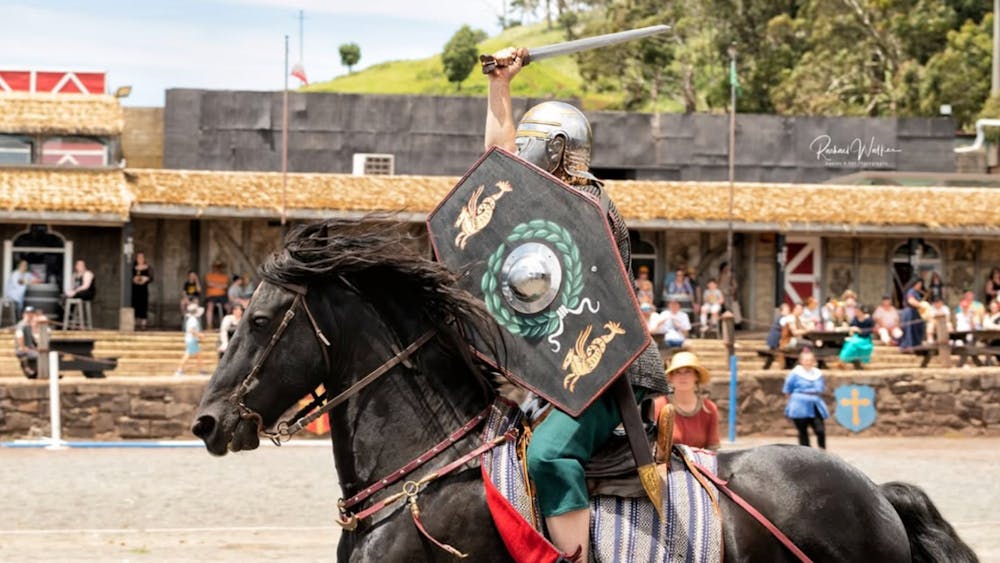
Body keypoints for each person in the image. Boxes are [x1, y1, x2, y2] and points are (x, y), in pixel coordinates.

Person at [484, 46, 668, 561]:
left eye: (529, 144)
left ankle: (577, 560)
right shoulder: (541, 202)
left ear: (558, 147)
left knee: (547, 454)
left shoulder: (590, 204)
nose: (518, 154)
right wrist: (500, 85)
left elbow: (503, 180)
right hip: (551, 372)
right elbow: (494, 174)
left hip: (603, 371)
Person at [651, 352, 720, 450]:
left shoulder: (709, 408)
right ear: (671, 377)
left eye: (688, 371)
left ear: (696, 376)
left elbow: (713, 450)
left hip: (700, 464)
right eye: (677, 372)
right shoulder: (658, 406)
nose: (682, 376)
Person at [782, 348, 829, 449]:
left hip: (815, 403)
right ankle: (806, 453)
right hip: (799, 405)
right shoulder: (795, 374)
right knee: (803, 431)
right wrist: (791, 404)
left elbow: (821, 388)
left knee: (820, 430)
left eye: (810, 360)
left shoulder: (817, 373)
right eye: (806, 360)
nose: (808, 362)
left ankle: (822, 450)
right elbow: (787, 390)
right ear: (801, 361)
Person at [176, 303, 204, 376]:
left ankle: (201, 370)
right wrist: (199, 335)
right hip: (191, 340)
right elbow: (191, 330)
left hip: (192, 339)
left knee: (198, 355)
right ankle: (179, 370)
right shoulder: (193, 320)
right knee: (187, 355)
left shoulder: (192, 319)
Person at [899, 277, 926, 351]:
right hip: (909, 313)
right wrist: (922, 305)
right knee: (909, 330)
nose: (920, 286)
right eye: (919, 284)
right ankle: (908, 346)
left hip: (915, 313)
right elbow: (911, 300)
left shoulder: (916, 292)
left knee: (916, 329)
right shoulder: (911, 291)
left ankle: (915, 346)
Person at [13, 306, 39, 378]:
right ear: (24, 314)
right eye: (28, 313)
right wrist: (22, 347)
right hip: (22, 349)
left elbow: (33, 340)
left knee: (41, 354)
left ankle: (32, 370)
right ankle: (28, 369)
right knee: (40, 355)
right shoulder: (22, 324)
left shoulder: (29, 325)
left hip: (29, 349)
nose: (30, 315)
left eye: (31, 313)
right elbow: (19, 335)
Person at [131, 252, 154, 330]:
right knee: (134, 305)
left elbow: (151, 277)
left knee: (143, 306)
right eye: (138, 257)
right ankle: (133, 324)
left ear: (144, 259)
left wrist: (146, 279)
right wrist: (134, 279)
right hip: (135, 289)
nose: (140, 259)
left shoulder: (148, 267)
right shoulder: (133, 267)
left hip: (143, 289)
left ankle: (143, 325)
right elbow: (130, 277)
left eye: (141, 257)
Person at [203, 261, 228, 330]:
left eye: (219, 267)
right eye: (216, 267)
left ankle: (227, 325)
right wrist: (220, 285)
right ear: (213, 268)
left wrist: (214, 285)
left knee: (228, 307)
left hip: (222, 296)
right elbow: (209, 284)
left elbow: (225, 286)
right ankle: (209, 325)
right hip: (211, 296)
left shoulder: (224, 276)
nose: (217, 268)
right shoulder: (209, 275)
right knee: (210, 306)